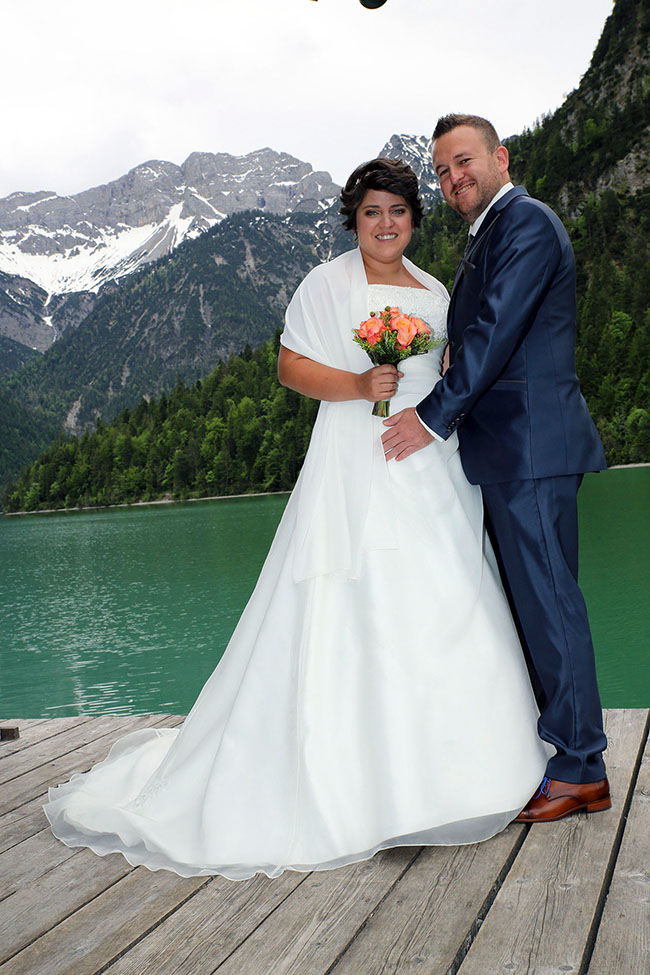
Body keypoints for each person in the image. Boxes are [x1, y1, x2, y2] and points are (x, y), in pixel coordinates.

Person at [43, 159, 551, 880]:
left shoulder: (435, 291)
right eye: (372, 212)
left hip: (428, 457)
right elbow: (289, 367)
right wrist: (358, 383)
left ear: (414, 219)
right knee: (351, 596)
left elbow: (451, 370)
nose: (385, 224)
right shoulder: (327, 283)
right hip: (353, 456)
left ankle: (466, 770)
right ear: (354, 220)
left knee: (448, 595)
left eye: (397, 212)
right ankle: (355, 783)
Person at [382, 115, 610, 823]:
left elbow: (497, 332)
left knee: (550, 605)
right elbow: (484, 333)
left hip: (532, 447)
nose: (454, 178)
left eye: (464, 161)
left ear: (500, 157)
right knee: (537, 607)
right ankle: (566, 753)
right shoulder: (492, 233)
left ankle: (581, 767)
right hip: (512, 451)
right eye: (442, 171)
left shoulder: (527, 223)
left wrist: (429, 416)